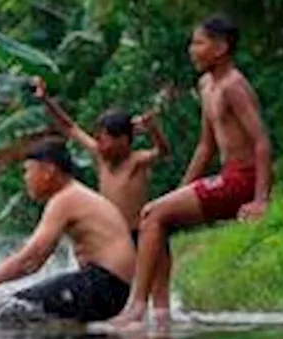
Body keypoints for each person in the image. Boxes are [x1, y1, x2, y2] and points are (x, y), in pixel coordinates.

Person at [109, 14, 273, 329]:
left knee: (152, 215)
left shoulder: (234, 86)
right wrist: (182, 190)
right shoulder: (207, 84)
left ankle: (136, 308)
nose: (191, 49)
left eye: (198, 42)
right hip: (227, 175)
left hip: (243, 179)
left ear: (221, 47)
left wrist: (260, 199)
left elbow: (262, 142)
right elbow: (205, 147)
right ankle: (161, 313)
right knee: (158, 218)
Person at [0, 140, 136, 324]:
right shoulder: (74, 195)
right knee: (24, 310)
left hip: (104, 286)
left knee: (4, 312)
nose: (26, 178)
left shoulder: (66, 199)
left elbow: (29, 260)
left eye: (28, 171)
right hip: (110, 289)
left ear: (48, 171)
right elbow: (35, 263)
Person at [33, 76, 176, 320]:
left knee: (158, 296)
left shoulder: (136, 161)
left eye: (105, 138)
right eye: (97, 137)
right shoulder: (101, 158)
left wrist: (153, 129)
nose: (99, 143)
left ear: (123, 141)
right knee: (116, 292)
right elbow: (69, 127)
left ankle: (162, 338)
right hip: (113, 240)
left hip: (144, 234)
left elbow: (163, 151)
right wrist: (46, 100)